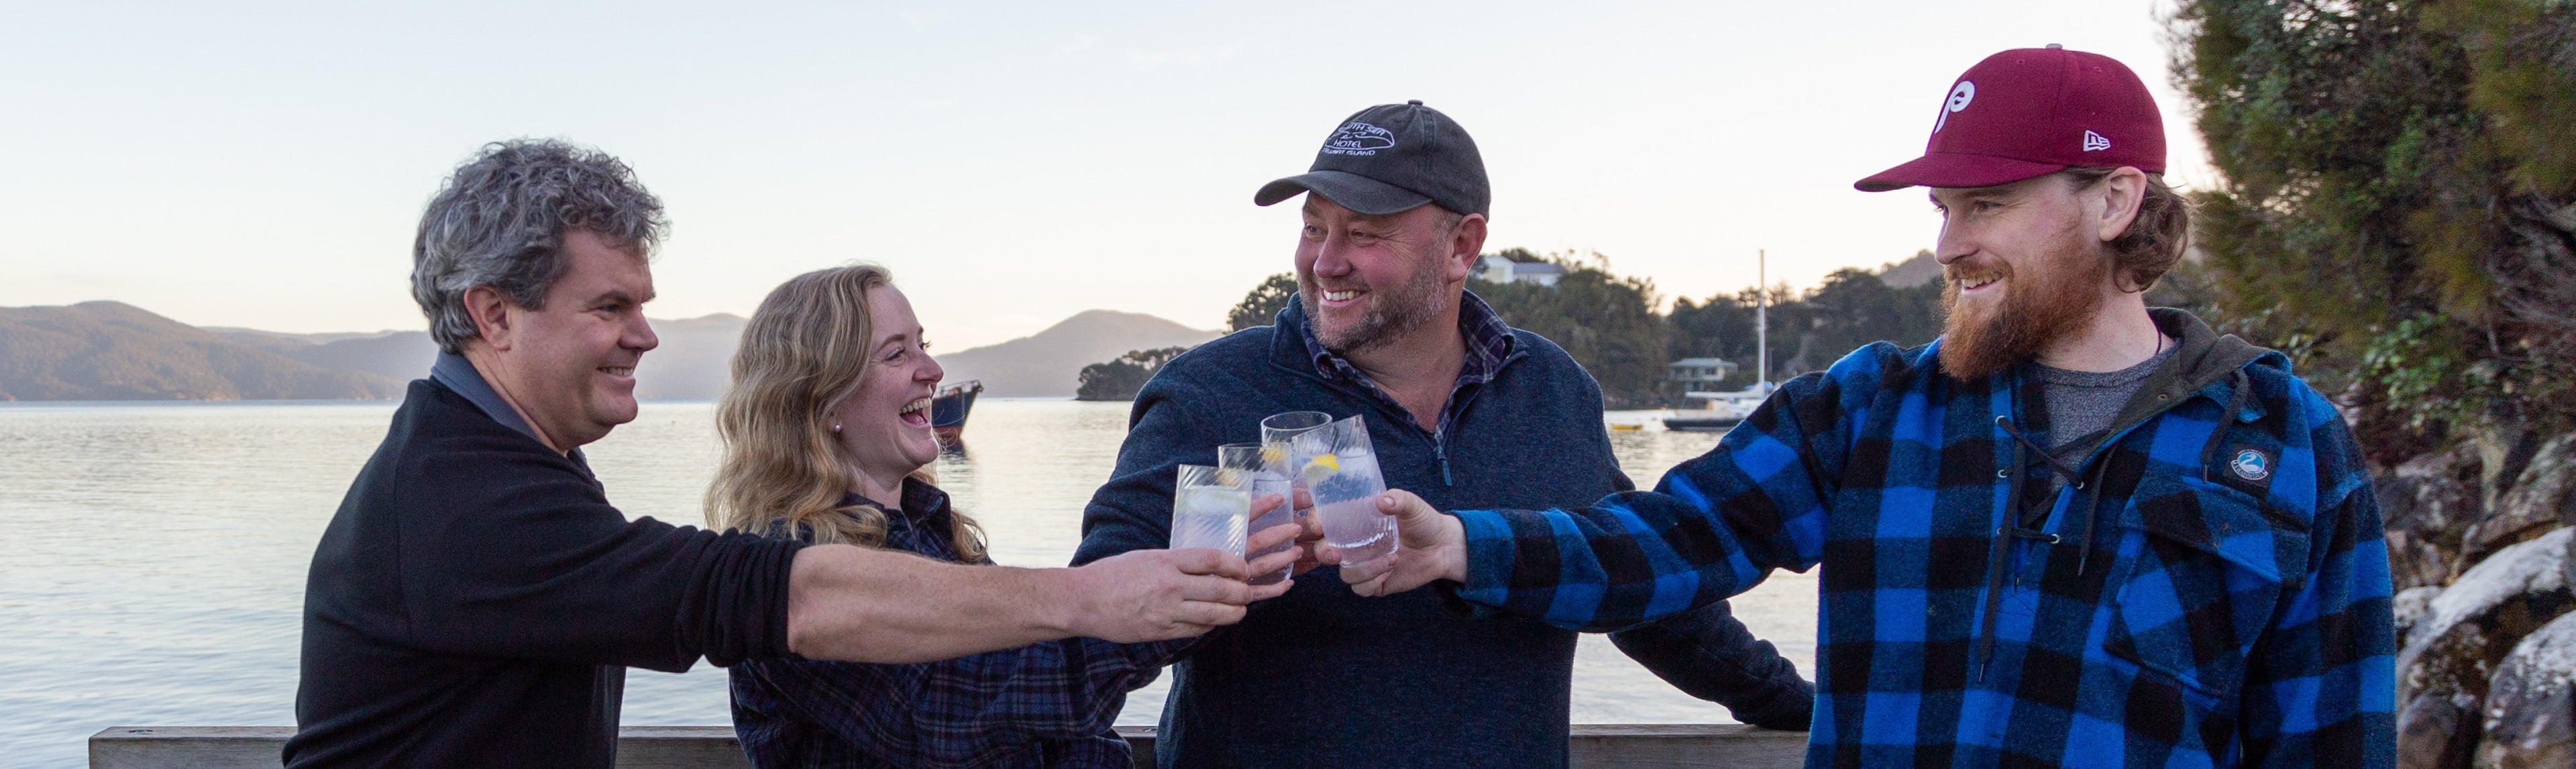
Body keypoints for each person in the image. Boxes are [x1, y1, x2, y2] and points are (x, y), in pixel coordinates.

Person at [1340, 48, 2398, 767]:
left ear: (2116, 201)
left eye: (1987, 205)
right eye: (1943, 209)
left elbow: (2333, 737)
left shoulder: (2285, 442)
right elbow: (1665, 543)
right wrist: (1459, 546)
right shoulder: (1869, 409)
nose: (1946, 245)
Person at [287, 140, 1285, 768]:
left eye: (644, 304)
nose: (645, 335)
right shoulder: (462, 499)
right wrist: (1104, 595)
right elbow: (775, 599)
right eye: (610, 306)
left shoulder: (505, 462)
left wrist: (1188, 590)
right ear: (493, 315)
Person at [1072, 101, 1814, 768]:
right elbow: (1088, 634)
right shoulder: (1211, 393)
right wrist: (1199, 587)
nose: (1325, 261)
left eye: (1363, 234)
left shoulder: (1549, 390)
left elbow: (1642, 590)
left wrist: (1806, 709)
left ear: (1463, 246)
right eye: (1312, 228)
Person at [709, 264, 1304, 768]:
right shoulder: (787, 575)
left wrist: (1196, 581)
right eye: (897, 353)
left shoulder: (934, 530)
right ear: (823, 397)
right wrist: (1179, 597)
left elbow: (1054, 727)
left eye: (924, 344)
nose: (932, 370)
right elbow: (963, 712)